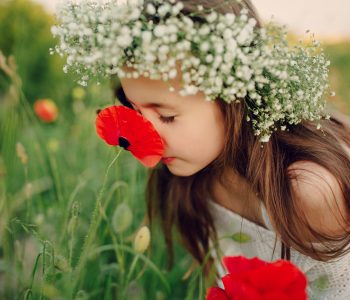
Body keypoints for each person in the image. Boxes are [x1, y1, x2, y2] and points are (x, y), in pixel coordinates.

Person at [53, 0, 350, 298]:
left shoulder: (309, 192)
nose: (148, 135)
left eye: (167, 116)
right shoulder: (193, 178)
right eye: (137, 111)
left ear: (234, 96)